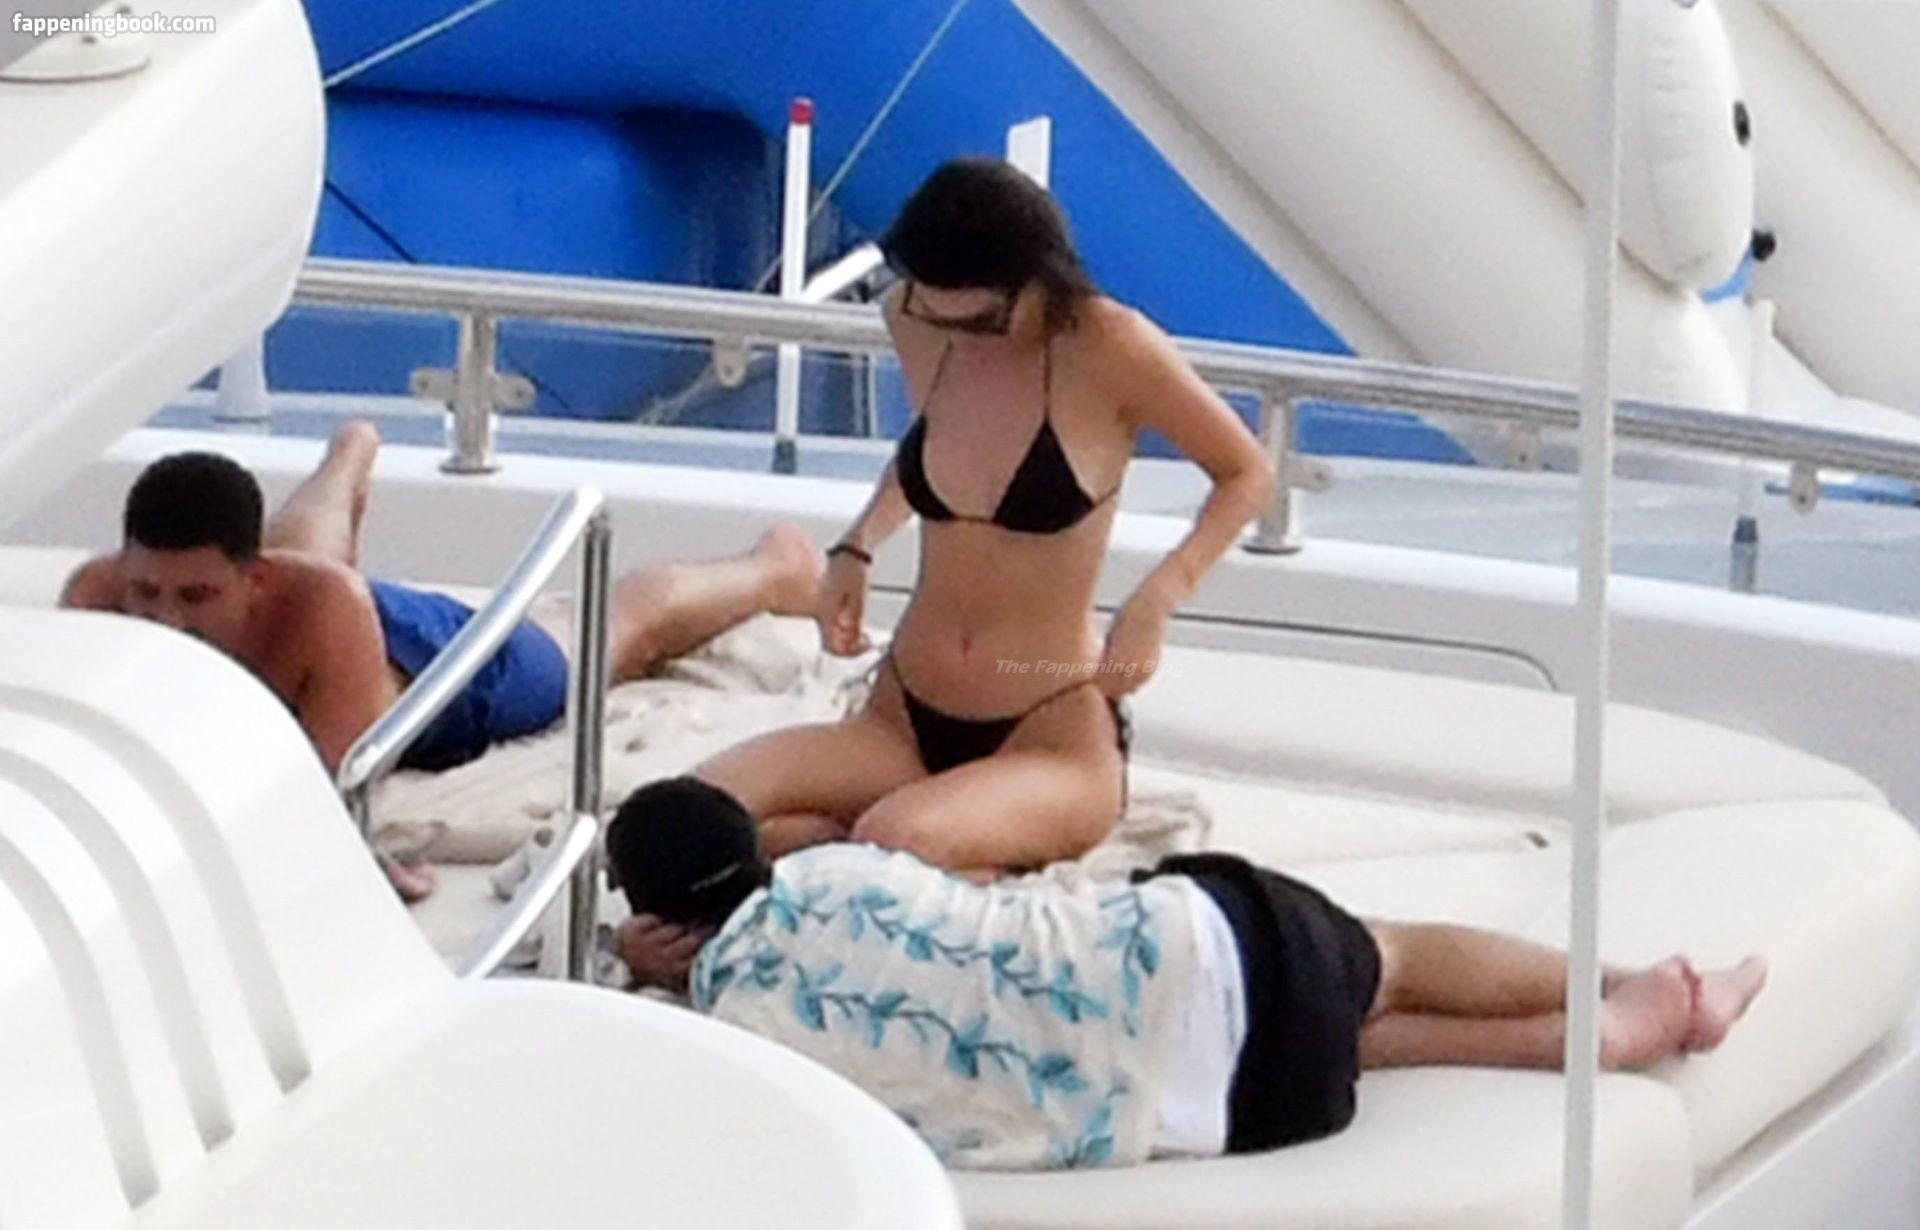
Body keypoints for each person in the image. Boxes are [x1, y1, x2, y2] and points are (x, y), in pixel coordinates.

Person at [607, 777, 1768, 1170]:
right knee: (1391, 954)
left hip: (1231, 1108)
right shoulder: (839, 871)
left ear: (660, 919)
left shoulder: (727, 1034)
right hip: (1211, 952)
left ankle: (1596, 1038)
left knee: (1347, 1040)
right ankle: (1624, 984)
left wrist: (651, 975)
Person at [678, 157, 1273, 877]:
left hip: (1045, 713)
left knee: (889, 846)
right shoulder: (916, 317)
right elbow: (940, 446)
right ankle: (882, 850)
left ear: (1041, 279)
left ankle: (873, 845)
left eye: (983, 319)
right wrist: (858, 546)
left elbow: (1247, 472)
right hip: (902, 712)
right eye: (939, 314)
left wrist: (1159, 597)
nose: (962, 335)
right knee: (688, 815)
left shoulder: (1111, 346)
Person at [61, 422, 822, 898]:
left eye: (194, 597)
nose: (165, 619)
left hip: (421, 668)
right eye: (147, 592)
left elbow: (334, 799)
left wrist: (360, 863)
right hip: (309, 605)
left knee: (610, 636)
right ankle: (349, 456)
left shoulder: (323, 611)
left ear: (250, 580)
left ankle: (773, 568)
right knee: (311, 560)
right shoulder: (98, 597)